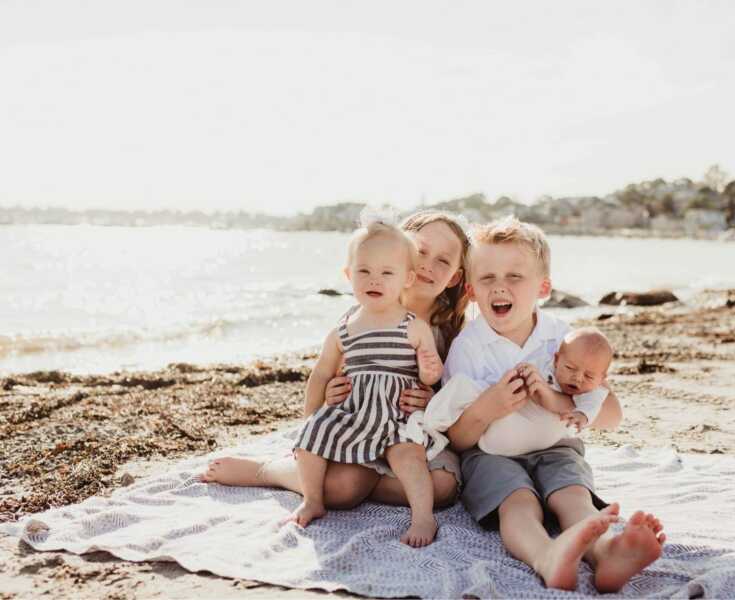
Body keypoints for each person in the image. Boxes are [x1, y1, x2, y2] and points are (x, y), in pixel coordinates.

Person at [201, 210, 470, 528]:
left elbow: (455, 396)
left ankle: (366, 484)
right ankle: (268, 470)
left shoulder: (454, 329)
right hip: (360, 427)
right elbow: (334, 374)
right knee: (342, 489)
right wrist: (330, 395)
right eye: (422, 251)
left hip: (410, 435)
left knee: (443, 487)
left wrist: (430, 399)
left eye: (443, 260)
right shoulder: (362, 316)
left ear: (454, 276)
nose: (428, 264)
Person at [439, 216, 665, 592]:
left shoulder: (563, 339)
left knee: (573, 497)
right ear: (471, 289)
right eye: (487, 278)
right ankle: (547, 555)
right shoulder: (468, 348)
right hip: (490, 455)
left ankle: (608, 552)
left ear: (543, 287)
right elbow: (458, 439)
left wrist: (567, 400)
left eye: (515, 276)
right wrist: (488, 407)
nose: (500, 287)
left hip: (556, 445)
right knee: (518, 503)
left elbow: (611, 415)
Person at [425, 326, 618, 457]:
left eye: (589, 377)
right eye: (570, 368)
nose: (577, 378)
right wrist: (525, 373)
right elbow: (528, 369)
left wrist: (581, 415)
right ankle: (434, 419)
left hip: (528, 439)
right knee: (465, 387)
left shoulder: (594, 392)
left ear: (602, 379)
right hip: (503, 424)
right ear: (557, 359)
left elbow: (595, 408)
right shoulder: (549, 362)